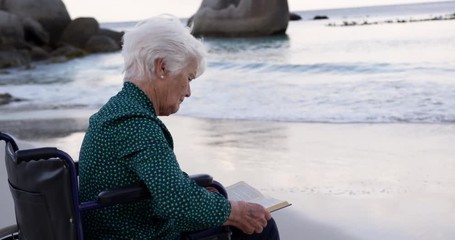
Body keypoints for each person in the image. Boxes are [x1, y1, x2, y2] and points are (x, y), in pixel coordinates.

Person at [78, 15, 280, 240]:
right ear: (162, 67)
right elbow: (176, 202)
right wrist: (235, 212)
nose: (188, 92)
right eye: (189, 78)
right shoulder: (135, 123)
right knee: (260, 226)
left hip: (118, 227)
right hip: (139, 234)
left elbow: (159, 183)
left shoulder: (114, 112)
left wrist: (201, 195)